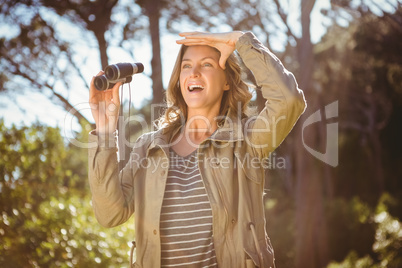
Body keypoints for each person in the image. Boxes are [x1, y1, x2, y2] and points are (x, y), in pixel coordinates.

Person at [88, 31, 306, 268]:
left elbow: (289, 100)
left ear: (226, 81)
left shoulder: (246, 140)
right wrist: (105, 130)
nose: (194, 73)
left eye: (207, 64)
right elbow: (109, 214)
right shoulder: (147, 148)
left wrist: (241, 42)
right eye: (186, 66)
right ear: (179, 79)